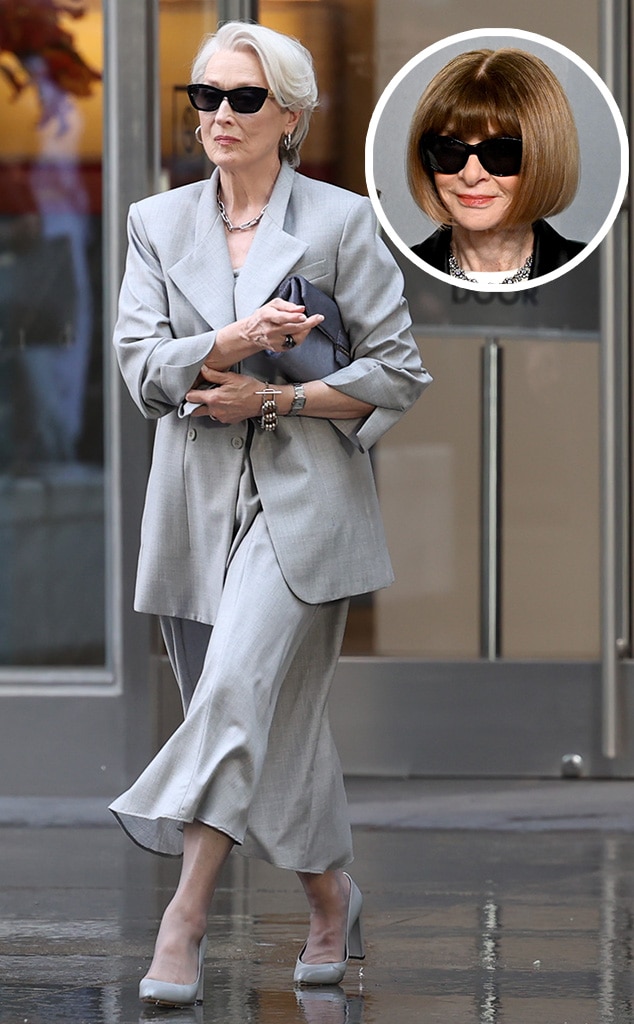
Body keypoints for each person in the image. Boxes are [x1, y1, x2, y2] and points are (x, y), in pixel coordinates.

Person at [109, 20, 431, 1008]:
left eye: (243, 98)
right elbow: (140, 369)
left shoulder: (340, 221)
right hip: (195, 512)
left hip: (305, 507)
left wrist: (277, 396)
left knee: (234, 691)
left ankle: (184, 919)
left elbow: (397, 373)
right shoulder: (155, 222)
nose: (219, 114)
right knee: (271, 725)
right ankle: (331, 900)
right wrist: (235, 338)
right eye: (204, 96)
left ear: (288, 116)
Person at [406, 48, 586, 286]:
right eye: (449, 149)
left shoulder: (602, 277)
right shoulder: (397, 276)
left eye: (500, 153)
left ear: (542, 158)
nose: (471, 175)